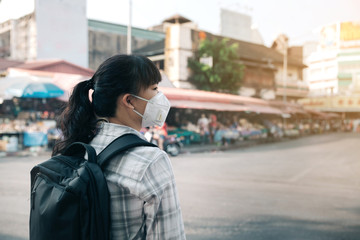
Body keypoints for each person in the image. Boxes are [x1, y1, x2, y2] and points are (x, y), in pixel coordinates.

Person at [53, 54, 186, 239]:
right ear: (130, 101)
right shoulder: (151, 161)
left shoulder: (76, 146)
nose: (160, 96)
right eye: (155, 88)